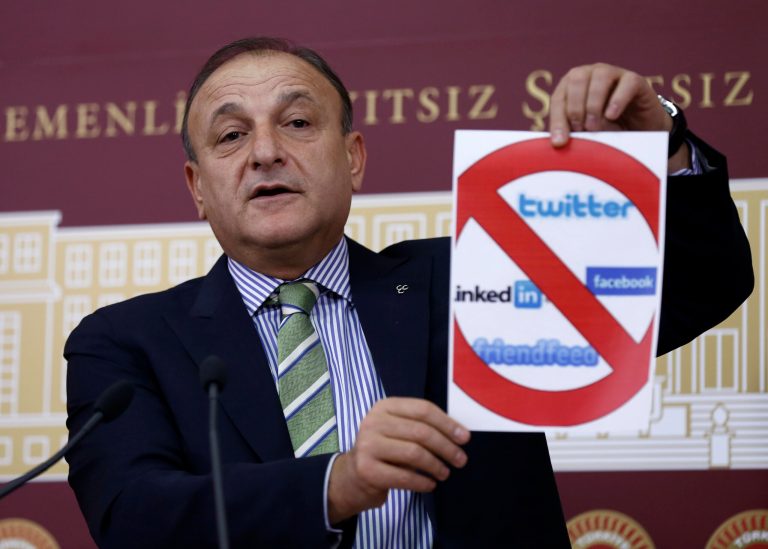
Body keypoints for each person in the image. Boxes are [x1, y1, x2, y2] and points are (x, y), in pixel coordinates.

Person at [65, 37, 753, 548]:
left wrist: (662, 149)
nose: (266, 151)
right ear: (197, 188)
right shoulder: (124, 342)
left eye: (298, 123)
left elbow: (700, 285)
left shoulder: (473, 277)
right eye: (231, 134)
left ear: (354, 157)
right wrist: (337, 482)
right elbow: (135, 515)